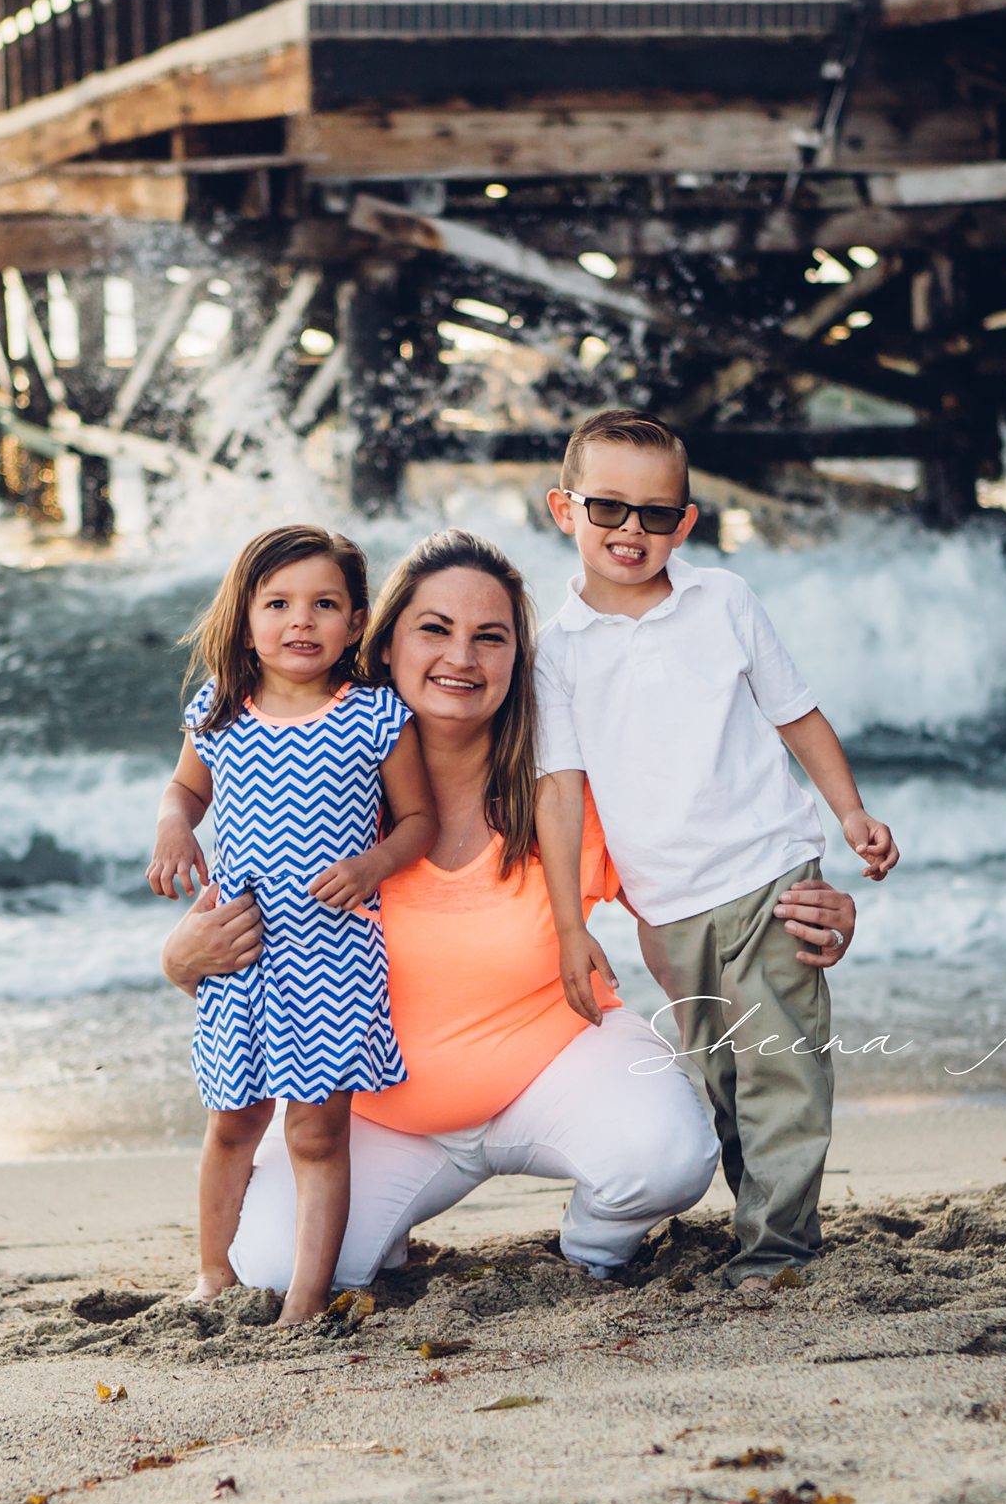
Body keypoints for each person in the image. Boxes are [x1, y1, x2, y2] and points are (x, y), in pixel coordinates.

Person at [161, 529, 861, 1295]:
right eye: (435, 630)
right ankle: (382, 1246)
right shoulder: (311, 788)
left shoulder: (563, 791)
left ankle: (591, 1251)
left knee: (662, 1155)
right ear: (385, 642)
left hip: (553, 1069)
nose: (461, 657)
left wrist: (792, 907)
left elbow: (685, 911)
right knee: (271, 1271)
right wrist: (180, 960)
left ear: (516, 663)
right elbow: (244, 949)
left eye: (489, 638)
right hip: (379, 1116)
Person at [531, 409, 898, 1291]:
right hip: (665, 905)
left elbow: (795, 713)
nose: (632, 532)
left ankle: (778, 1252)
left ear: (685, 523)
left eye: (658, 515)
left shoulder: (723, 600)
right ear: (563, 509)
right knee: (725, 1077)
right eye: (609, 509)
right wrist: (571, 923)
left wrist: (850, 814)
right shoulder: (554, 650)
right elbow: (561, 793)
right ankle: (759, 1223)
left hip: (771, 872)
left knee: (783, 1066)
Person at [147, 525, 434, 1323]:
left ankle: (306, 1299)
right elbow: (184, 792)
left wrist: (373, 866)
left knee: (315, 1135)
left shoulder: (376, 716)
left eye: (323, 605)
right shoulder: (220, 709)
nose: (300, 621)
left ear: (355, 622)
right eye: (278, 603)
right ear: (245, 620)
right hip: (241, 953)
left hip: (335, 956)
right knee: (232, 1123)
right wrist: (175, 826)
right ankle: (212, 1272)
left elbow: (417, 822)